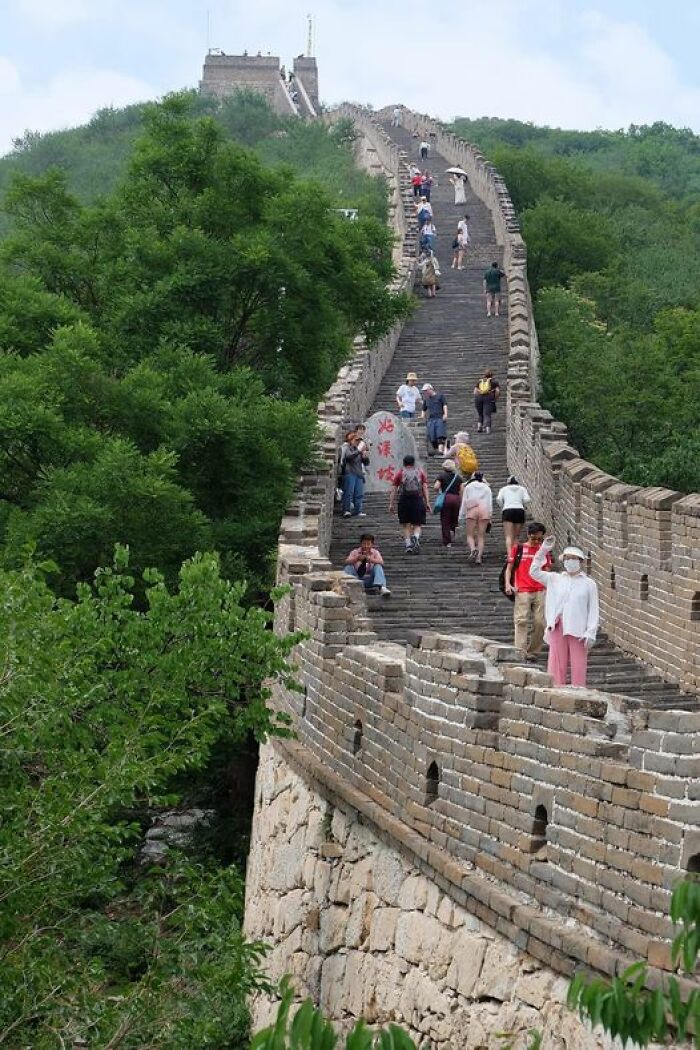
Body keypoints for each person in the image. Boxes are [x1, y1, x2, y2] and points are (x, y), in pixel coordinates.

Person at [530, 540, 599, 687]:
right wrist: (543, 550)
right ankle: (556, 693)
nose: (570, 562)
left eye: (573, 559)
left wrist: (591, 632)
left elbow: (593, 609)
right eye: (567, 559)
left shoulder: (589, 584)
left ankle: (579, 694)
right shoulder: (555, 578)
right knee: (556, 666)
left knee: (579, 666)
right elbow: (533, 572)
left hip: (578, 628)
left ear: (580, 561)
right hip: (557, 625)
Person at [504, 521, 551, 659]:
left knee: (540, 622)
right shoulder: (518, 549)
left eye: (539, 539)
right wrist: (508, 584)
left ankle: (533, 651)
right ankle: (520, 651)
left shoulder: (543, 551)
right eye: (534, 538)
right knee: (521, 620)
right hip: (523, 589)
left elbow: (547, 569)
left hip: (540, 589)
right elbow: (509, 568)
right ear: (528, 535)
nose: (536, 541)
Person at [389, 454, 430, 553]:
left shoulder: (400, 473)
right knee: (417, 524)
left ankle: (408, 545)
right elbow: (425, 487)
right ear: (413, 463)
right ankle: (415, 537)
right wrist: (427, 502)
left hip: (404, 500)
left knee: (406, 524)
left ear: (404, 463)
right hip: (418, 499)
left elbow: (394, 489)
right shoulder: (420, 473)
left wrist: (391, 504)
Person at [459, 471, 492, 564]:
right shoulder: (487, 488)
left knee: (470, 534)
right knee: (481, 536)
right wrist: (490, 515)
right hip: (484, 510)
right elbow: (489, 503)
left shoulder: (468, 487)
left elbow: (464, 501)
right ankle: (478, 558)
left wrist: (461, 515)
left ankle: (473, 549)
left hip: (472, 510)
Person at [497, 475, 531, 553]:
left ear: (508, 482)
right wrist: (521, 503)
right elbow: (527, 499)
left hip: (508, 510)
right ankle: (515, 554)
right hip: (519, 510)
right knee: (516, 536)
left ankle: (510, 555)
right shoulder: (522, 489)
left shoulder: (503, 489)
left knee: (509, 536)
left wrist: (503, 506)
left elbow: (498, 499)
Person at [434, 458, 463, 547]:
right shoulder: (458, 477)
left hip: (446, 499)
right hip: (456, 499)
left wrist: (440, 492)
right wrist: (461, 501)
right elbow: (462, 490)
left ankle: (447, 542)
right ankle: (453, 533)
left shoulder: (441, 476)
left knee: (445, 520)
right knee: (454, 518)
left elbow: (436, 487)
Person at [339, 430, 367, 519]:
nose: (357, 442)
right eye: (355, 440)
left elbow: (366, 462)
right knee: (348, 492)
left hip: (358, 473)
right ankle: (346, 510)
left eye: (358, 441)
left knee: (359, 494)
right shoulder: (347, 448)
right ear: (351, 441)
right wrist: (359, 451)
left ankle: (358, 510)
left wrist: (364, 456)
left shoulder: (358, 451)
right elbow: (349, 457)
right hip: (349, 472)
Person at [421, 383, 448, 452]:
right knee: (432, 436)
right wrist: (422, 417)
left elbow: (444, 405)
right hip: (431, 419)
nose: (425, 392)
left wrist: (445, 414)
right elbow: (424, 409)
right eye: (424, 391)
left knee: (440, 435)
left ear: (430, 389)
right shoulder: (426, 399)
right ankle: (437, 450)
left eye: (426, 391)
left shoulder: (440, 396)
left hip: (439, 418)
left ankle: (440, 451)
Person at [473, 369, 500, 434]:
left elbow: (474, 392)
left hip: (478, 397)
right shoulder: (494, 382)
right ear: (492, 375)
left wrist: (480, 395)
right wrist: (495, 398)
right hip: (489, 397)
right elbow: (498, 391)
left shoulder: (480, 381)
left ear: (484, 375)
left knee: (480, 414)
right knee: (487, 414)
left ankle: (479, 427)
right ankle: (488, 429)